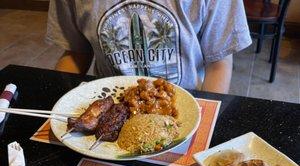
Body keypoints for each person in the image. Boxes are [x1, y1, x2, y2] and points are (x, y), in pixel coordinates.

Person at [46, 0, 251, 93]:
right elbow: (76, 53)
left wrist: (204, 116)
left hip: (185, 102)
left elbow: (219, 62)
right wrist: (59, 105)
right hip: (109, 103)